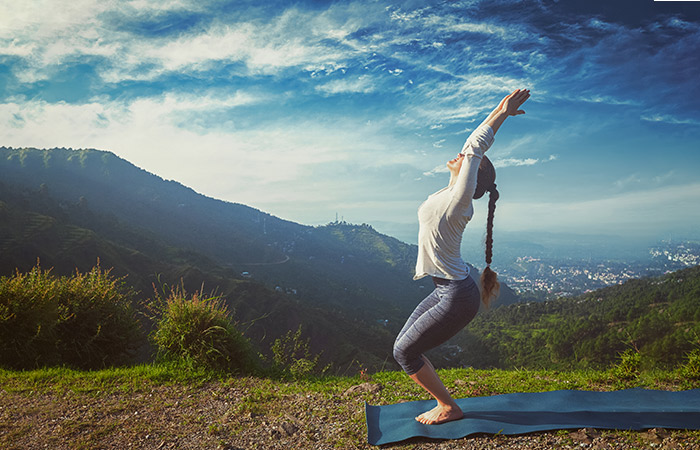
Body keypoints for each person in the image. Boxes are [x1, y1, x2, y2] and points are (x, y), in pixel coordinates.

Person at [393, 88, 531, 425]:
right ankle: (444, 401)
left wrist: (501, 114)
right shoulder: (449, 193)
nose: (460, 154)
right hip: (449, 288)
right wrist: (498, 111)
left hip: (457, 294)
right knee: (404, 346)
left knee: (404, 352)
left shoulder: (459, 201)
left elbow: (474, 146)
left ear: (473, 175)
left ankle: (449, 406)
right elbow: (470, 149)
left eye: (469, 161)